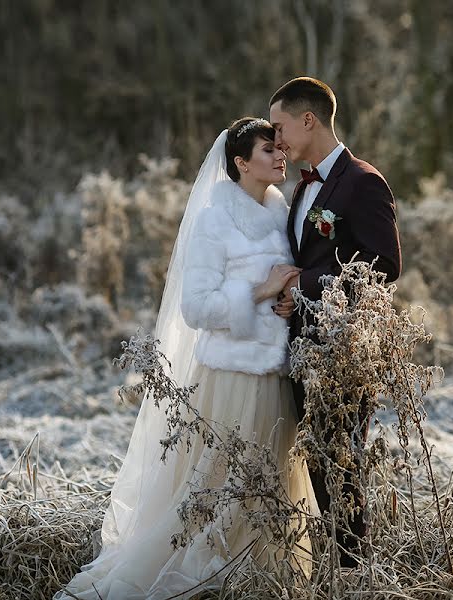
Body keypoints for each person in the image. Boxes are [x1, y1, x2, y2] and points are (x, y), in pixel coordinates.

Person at [55, 118, 313, 600]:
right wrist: (262, 290)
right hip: (232, 375)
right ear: (240, 163)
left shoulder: (280, 210)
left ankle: (258, 579)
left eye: (280, 148)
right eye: (267, 150)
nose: (281, 156)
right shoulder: (215, 219)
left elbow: (283, 282)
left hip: (274, 371)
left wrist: (283, 301)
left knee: (270, 478)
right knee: (220, 482)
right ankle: (206, 572)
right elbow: (196, 306)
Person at [269, 77, 401, 567]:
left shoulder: (363, 182)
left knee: (340, 468)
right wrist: (290, 299)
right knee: (318, 468)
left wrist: (303, 285)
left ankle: (354, 573)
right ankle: (330, 570)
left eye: (280, 126)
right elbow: (308, 254)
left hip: (343, 350)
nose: (275, 137)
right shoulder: (301, 188)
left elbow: (384, 264)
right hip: (302, 347)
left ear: (309, 120)